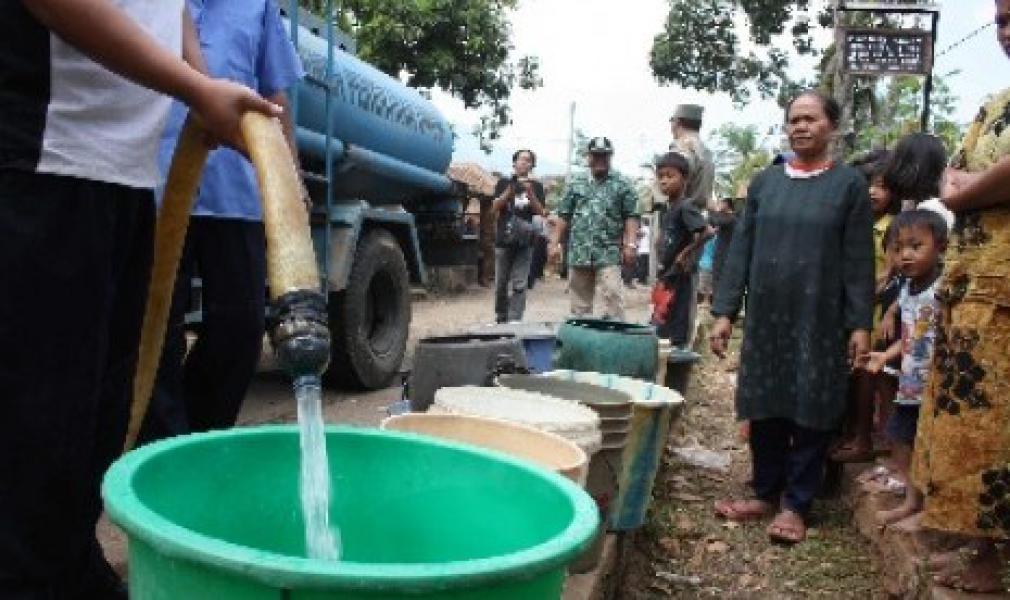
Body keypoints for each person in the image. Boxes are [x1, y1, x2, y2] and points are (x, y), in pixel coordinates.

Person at [0, 2, 280, 598]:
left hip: (125, 176)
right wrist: (192, 87)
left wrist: (201, 82)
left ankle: (70, 563)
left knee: (101, 410)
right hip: (45, 159)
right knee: (36, 420)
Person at [709, 90, 874, 544]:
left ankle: (797, 504)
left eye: (811, 119)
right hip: (766, 317)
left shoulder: (849, 186)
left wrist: (860, 323)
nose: (800, 126)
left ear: (831, 127)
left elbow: (860, 260)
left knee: (812, 403)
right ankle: (765, 491)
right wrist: (725, 312)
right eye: (794, 119)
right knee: (765, 401)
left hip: (820, 317)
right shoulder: (765, 184)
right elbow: (741, 250)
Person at [140, 0, 304, 442]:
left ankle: (201, 438)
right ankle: (161, 449)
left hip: (237, 190)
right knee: (155, 330)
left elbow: (275, 97)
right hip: (154, 184)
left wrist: (291, 179)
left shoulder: (259, 5)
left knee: (242, 326)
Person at [908, 2, 1010, 589]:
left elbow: (962, 187)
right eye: (1000, 20)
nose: (1006, 32)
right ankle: (977, 547)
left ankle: (994, 562)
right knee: (968, 422)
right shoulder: (992, 106)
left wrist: (969, 190)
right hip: (972, 290)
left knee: (1001, 430)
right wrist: (971, 189)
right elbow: (952, 181)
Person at [864, 210, 947, 527]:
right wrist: (885, 357)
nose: (905, 255)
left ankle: (931, 507)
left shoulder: (943, 288)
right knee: (901, 440)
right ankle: (912, 500)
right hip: (910, 385)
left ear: (940, 246)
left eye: (916, 246)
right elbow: (909, 336)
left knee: (931, 447)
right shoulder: (908, 289)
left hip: (936, 389)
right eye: (898, 249)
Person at [832, 150, 899, 463]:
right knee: (850, 375)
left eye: (882, 186)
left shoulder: (889, 228)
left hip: (872, 313)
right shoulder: (853, 222)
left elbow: (890, 272)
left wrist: (861, 295)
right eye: (869, 184)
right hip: (851, 310)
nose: (873, 191)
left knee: (865, 377)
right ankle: (850, 433)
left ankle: (863, 439)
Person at [553, 137, 639, 320]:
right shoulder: (575, 183)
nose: (600, 159)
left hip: (608, 252)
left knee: (613, 298)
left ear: (610, 157)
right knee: (579, 307)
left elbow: (631, 215)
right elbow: (564, 215)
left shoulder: (622, 184)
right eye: (596, 155)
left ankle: (615, 339)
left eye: (604, 156)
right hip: (579, 251)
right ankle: (583, 342)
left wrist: (630, 244)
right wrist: (554, 243)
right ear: (588, 157)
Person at [654, 152, 710, 348]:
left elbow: (707, 231)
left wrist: (685, 253)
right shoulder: (668, 209)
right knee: (661, 320)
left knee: (676, 323)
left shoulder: (685, 206)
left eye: (670, 176)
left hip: (680, 276)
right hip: (667, 275)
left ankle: (676, 364)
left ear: (684, 179)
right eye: (660, 176)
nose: (664, 181)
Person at [493, 149, 545, 323]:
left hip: (525, 241)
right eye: (521, 159)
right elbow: (495, 207)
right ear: (514, 163)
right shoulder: (503, 182)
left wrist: (530, 193)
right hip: (504, 239)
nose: (525, 162)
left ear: (532, 165)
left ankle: (515, 320)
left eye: (528, 160)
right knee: (501, 283)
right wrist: (510, 190)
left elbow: (540, 212)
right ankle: (501, 317)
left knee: (519, 283)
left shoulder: (537, 186)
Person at [670, 103, 716, 210]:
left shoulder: (682, 146)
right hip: (697, 215)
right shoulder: (706, 151)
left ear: (677, 122)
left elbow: (673, 184)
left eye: (671, 120)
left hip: (680, 214)